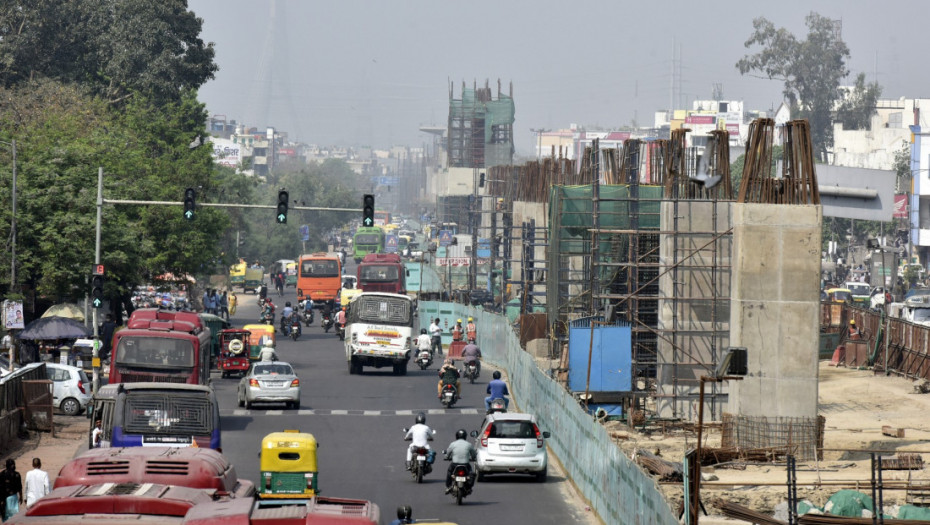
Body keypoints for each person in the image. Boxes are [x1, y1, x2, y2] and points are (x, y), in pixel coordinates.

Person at [443, 429, 477, 494]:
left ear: (457, 436)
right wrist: (473, 458)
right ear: (465, 436)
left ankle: (449, 486)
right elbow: (473, 454)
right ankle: (469, 487)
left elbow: (447, 453)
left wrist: (446, 457)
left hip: (455, 464)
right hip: (466, 464)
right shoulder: (469, 444)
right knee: (471, 473)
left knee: (449, 472)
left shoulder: (453, 444)